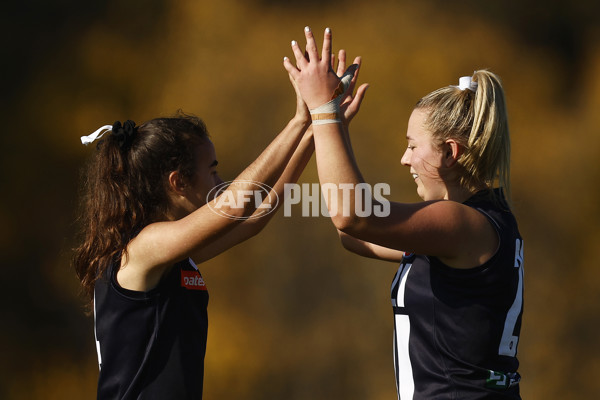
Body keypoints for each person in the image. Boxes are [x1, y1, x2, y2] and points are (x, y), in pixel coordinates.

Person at [284, 27, 524, 399]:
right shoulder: (475, 224)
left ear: (451, 153)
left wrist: (323, 112)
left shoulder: (460, 224)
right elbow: (353, 234)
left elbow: (352, 216)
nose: (405, 159)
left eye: (413, 146)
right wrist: (333, 129)